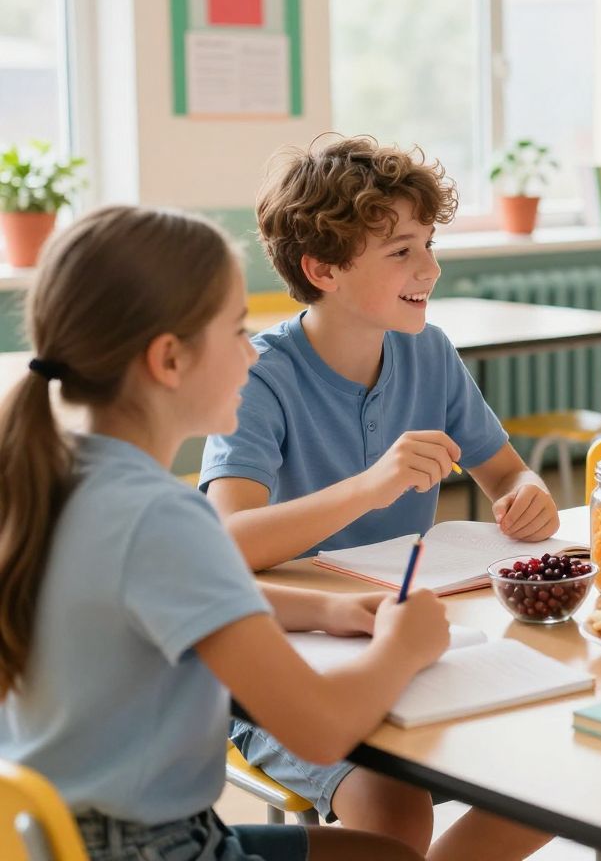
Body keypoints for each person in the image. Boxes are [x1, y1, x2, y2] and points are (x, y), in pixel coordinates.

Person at [0, 206, 447, 861]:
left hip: (58, 837)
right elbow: (321, 730)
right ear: (169, 359)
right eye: (237, 330)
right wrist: (403, 648)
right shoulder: (162, 516)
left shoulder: (55, 480)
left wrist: (325, 607)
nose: (251, 351)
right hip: (152, 849)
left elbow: (152, 597)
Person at [202, 136, 553, 858]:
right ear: (322, 268)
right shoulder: (263, 378)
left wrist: (528, 494)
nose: (430, 266)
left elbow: (509, 474)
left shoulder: (429, 353)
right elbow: (224, 544)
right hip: (284, 663)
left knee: (555, 780)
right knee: (397, 817)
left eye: (428, 242)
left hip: (413, 641)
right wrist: (371, 486)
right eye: (400, 251)